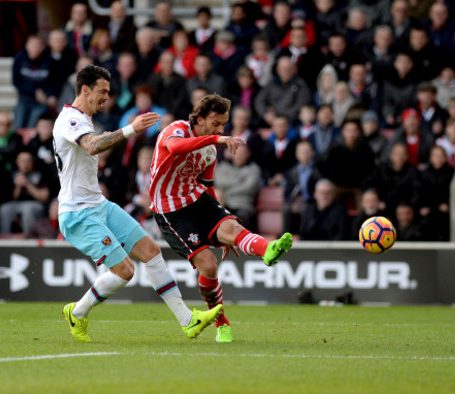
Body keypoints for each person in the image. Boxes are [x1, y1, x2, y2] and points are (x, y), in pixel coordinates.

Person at [54, 64, 222, 343]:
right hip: (77, 213)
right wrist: (131, 129)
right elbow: (93, 146)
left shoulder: (83, 118)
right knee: (125, 271)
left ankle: (188, 321)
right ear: (85, 89)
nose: (107, 97)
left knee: (151, 251)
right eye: (103, 91)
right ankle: (78, 311)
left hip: (98, 204)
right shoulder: (70, 119)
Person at [149, 93, 294, 343]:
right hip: (170, 210)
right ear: (201, 118)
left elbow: (207, 185)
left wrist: (219, 220)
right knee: (209, 266)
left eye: (223, 124)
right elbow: (174, 148)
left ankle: (268, 249)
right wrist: (217, 138)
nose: (221, 129)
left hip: (197, 199)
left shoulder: (209, 150)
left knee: (232, 227)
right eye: (216, 123)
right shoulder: (177, 129)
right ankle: (221, 323)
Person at [0, 151, 51, 235]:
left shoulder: (40, 174)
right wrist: (18, 186)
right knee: (4, 209)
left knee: (28, 209)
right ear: (17, 162)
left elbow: (44, 197)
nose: (25, 164)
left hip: (36, 204)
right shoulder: (12, 175)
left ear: (32, 162)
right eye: (22, 161)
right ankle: (5, 238)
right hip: (17, 204)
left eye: (28, 161)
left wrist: (27, 184)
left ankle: (29, 239)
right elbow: (12, 198)